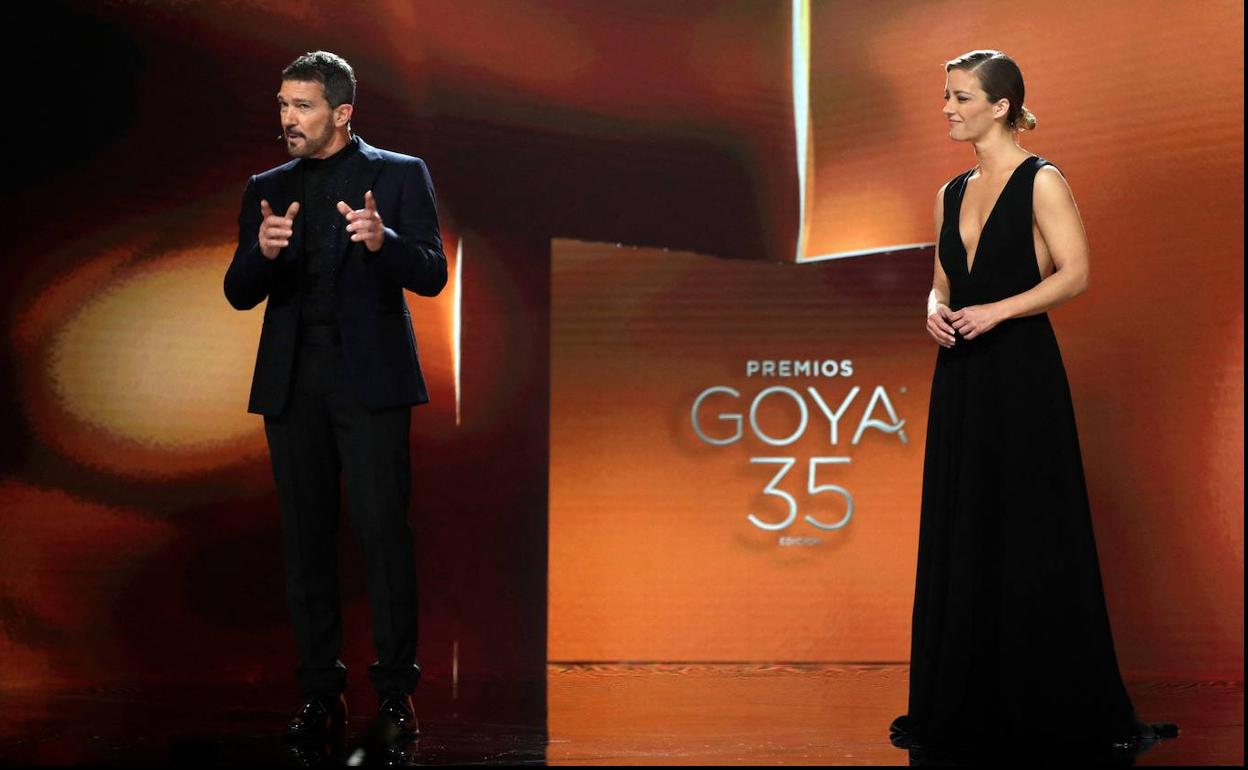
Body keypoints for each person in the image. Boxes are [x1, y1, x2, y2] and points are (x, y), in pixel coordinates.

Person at [891, 50, 1175, 752]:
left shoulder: (1042, 180)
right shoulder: (949, 191)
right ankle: (966, 699)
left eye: (960, 97)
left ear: (1001, 106)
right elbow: (942, 281)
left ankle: (1047, 700)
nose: (949, 108)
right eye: (946, 96)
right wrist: (934, 307)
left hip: (1020, 376)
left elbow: (1075, 275)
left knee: (1028, 532)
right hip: (960, 376)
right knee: (966, 530)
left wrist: (998, 313)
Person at [224, 50, 446, 740]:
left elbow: (433, 273)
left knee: (383, 535)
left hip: (371, 381)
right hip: (294, 383)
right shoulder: (266, 184)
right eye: (283, 105)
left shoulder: (400, 175)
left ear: (342, 113)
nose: (287, 118)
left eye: (303, 106)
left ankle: (394, 694)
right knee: (307, 541)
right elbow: (238, 292)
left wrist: (387, 243)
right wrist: (260, 251)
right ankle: (321, 692)